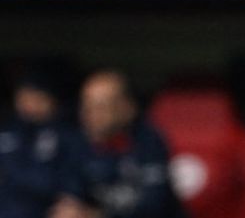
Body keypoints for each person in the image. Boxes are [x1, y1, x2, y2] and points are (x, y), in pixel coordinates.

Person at [51, 70, 184, 218]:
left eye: (100, 107)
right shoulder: (78, 143)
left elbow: (152, 208)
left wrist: (95, 215)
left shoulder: (149, 142)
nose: (89, 116)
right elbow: (71, 196)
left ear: (127, 109)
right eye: (86, 107)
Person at [0, 69, 76, 218]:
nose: (29, 104)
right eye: (24, 97)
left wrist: (9, 174)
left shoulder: (66, 136)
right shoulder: (8, 129)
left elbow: (52, 184)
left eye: (37, 98)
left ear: (52, 100)